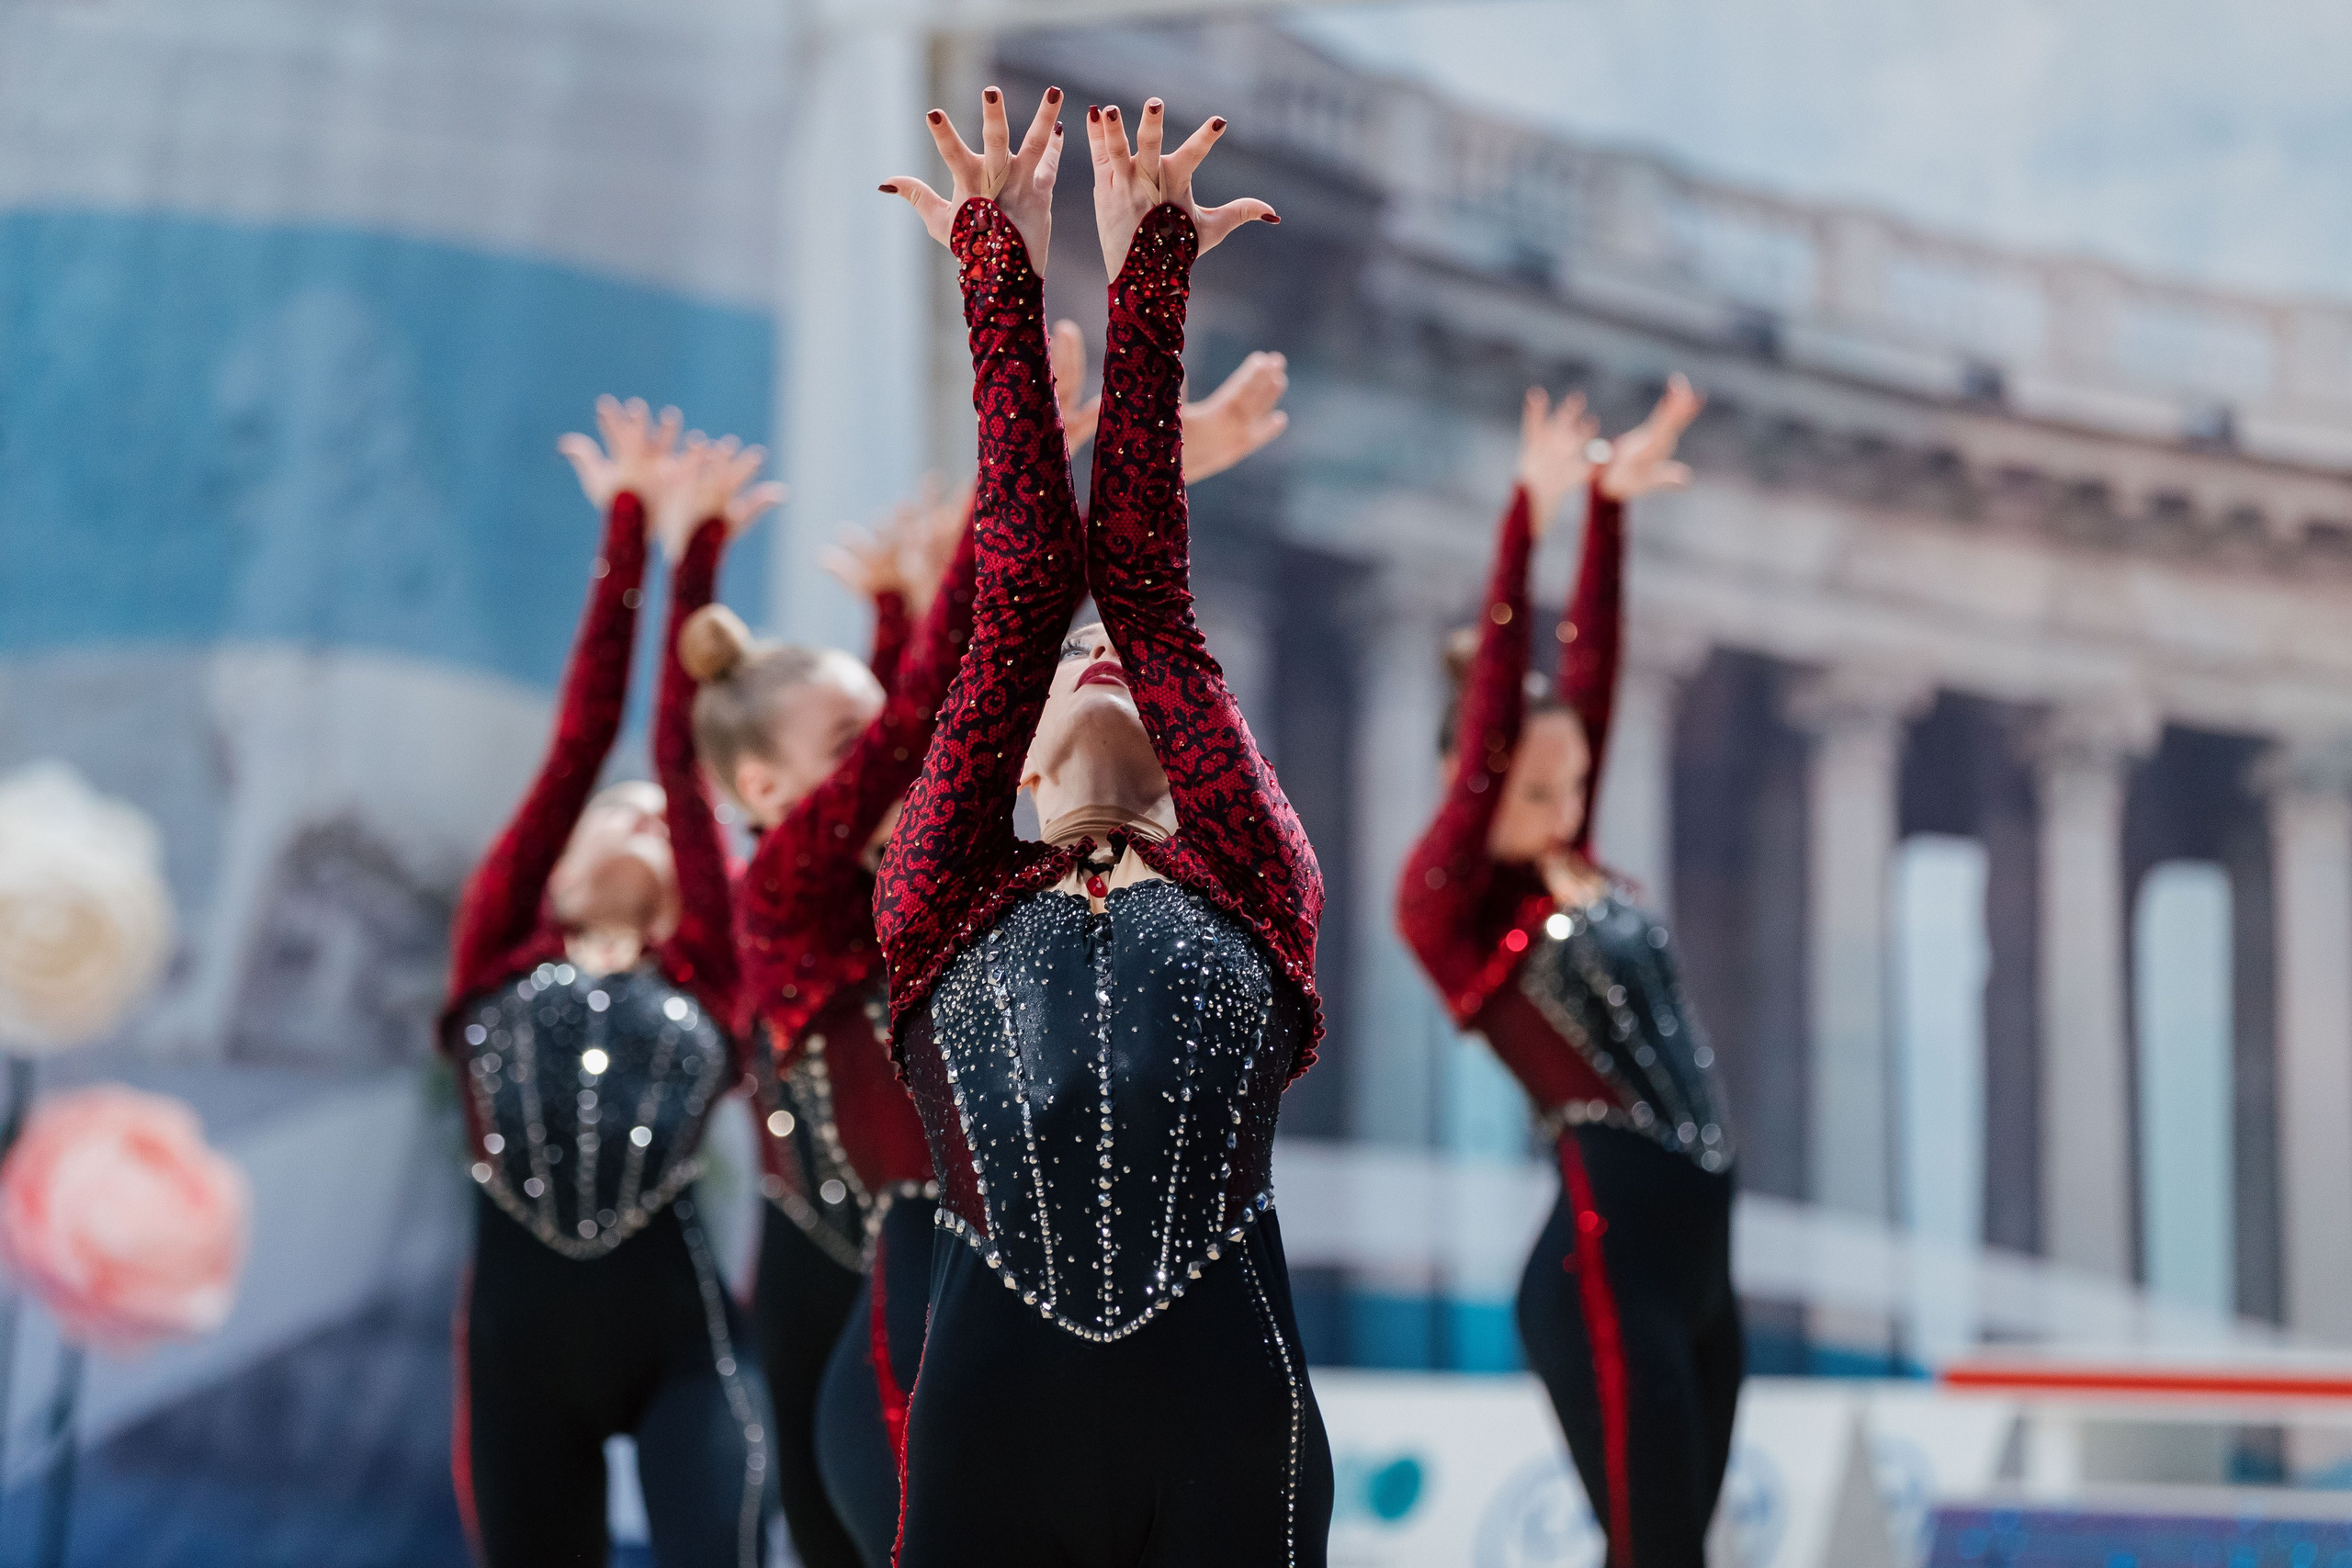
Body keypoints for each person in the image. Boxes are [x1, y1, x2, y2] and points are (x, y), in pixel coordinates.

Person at [873, 85, 1329, 1566]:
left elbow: (1139, 578)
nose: (1099, 651)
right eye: (1074, 655)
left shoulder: (1257, 881)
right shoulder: (945, 894)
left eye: (1120, 654)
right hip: (997, 1409)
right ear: (1005, 765)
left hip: (1226, 1413)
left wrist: (1152, 276)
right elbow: (1022, 579)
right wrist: (996, 270)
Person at [1395, 377, 1740, 1568]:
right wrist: (1522, 525)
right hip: (1608, 1262)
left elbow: (1585, 686)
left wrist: (1608, 513)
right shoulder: (1452, 904)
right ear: (1471, 786)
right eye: (1528, 789)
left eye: (1568, 783)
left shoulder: (1575, 863)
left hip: (1700, 1253)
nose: (1557, 804)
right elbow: (1505, 718)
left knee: (1679, 1546)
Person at [440, 399, 781, 1568]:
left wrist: (701, 563)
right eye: (613, 813)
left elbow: (681, 763)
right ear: (560, 861)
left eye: (660, 822)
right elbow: (584, 738)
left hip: (682, 1354)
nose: (638, 810)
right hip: (516, 1363)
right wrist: (626, 529)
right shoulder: (499, 956)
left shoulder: (707, 969)